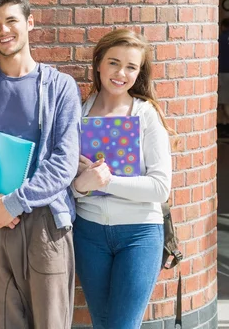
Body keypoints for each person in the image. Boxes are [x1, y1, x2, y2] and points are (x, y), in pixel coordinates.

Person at [0, 0, 81, 328]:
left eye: (11, 20)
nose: (4, 31)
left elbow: (64, 162)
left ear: (29, 23)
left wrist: (13, 204)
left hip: (45, 224)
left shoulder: (60, 87)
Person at [71, 29, 173, 329]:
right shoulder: (78, 113)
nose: (121, 73)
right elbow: (67, 182)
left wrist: (105, 181)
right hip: (89, 235)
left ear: (139, 72)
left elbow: (160, 187)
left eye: (131, 67)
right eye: (114, 63)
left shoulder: (147, 115)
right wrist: (80, 186)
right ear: (98, 63)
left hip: (139, 235)